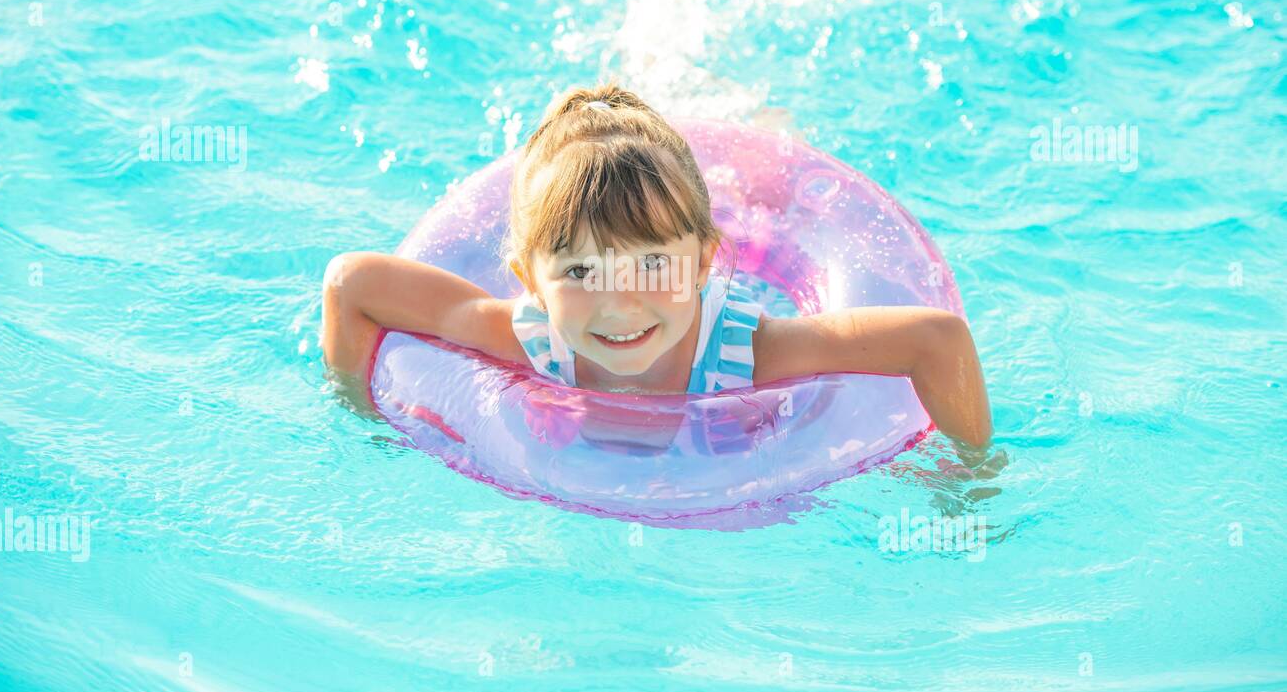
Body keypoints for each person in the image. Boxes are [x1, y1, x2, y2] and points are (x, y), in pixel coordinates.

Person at [321, 79, 993, 450]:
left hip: (753, 211)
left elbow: (936, 340)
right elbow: (352, 284)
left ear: (704, 264)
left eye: (652, 268)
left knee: (766, 167)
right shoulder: (529, 335)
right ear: (529, 281)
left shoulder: (747, 352)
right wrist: (361, 415)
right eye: (581, 273)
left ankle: (748, 125)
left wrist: (971, 476)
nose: (619, 305)